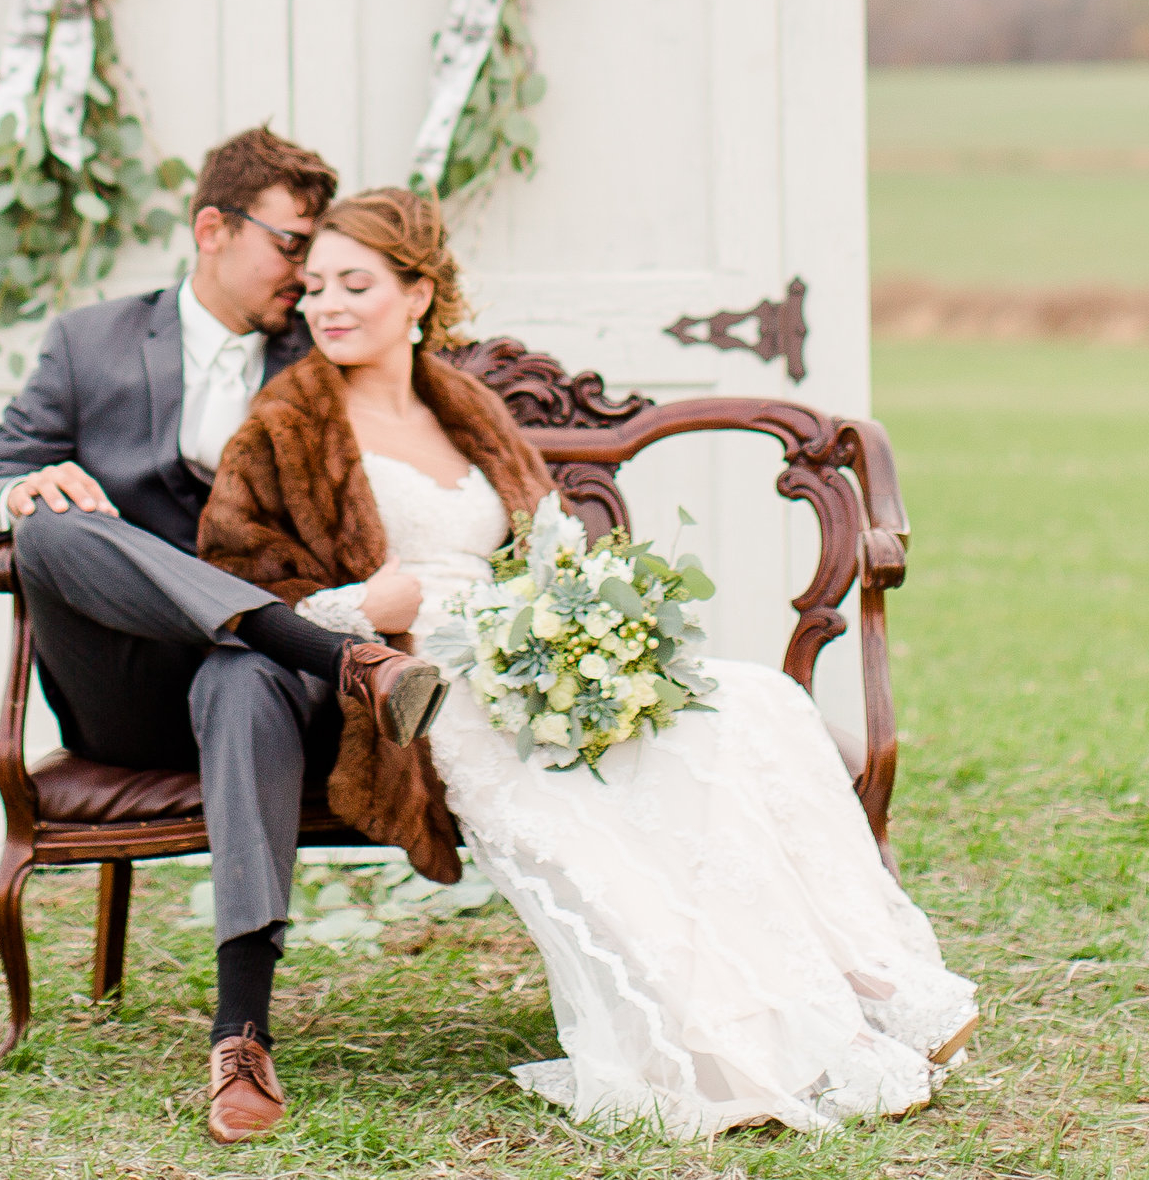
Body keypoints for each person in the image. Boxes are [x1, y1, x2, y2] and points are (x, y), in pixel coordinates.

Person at [200, 188, 979, 1139]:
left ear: (417, 293)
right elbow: (233, 591)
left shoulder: (468, 407)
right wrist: (363, 609)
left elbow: (550, 543)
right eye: (315, 285)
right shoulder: (284, 425)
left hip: (532, 655)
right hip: (420, 684)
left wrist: (582, 627)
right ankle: (754, 1024)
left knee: (752, 707)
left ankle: (868, 981)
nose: (327, 304)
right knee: (599, 793)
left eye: (355, 283)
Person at [0, 127, 448, 1146]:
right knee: (52, 531)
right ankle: (333, 654)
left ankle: (240, 1036)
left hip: (260, 692)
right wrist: (14, 494)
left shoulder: (325, 346)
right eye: (292, 246)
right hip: (128, 687)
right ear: (214, 228)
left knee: (242, 674)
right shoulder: (92, 346)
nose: (310, 276)